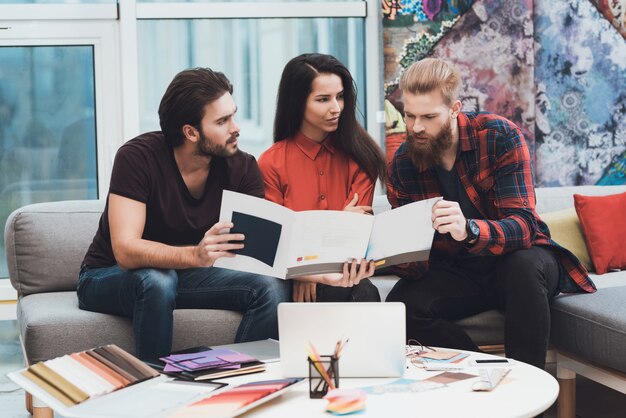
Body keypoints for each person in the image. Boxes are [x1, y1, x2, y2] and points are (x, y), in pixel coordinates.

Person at [386, 58, 596, 370]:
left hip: (522, 261)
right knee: (399, 308)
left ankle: (527, 398)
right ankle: (484, 373)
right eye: (410, 116)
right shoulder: (404, 161)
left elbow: (524, 227)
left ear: (455, 109)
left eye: (429, 117)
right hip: (460, 271)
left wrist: (469, 229)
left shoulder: (499, 137)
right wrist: (379, 255)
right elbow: (414, 255)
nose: (416, 127)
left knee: (521, 265)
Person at [78, 68, 291, 361]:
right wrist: (195, 256)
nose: (236, 127)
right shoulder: (137, 158)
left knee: (271, 287)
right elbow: (125, 251)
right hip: (109, 275)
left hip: (189, 275)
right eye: (222, 121)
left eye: (233, 115)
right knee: (157, 280)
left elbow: (256, 256)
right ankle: (157, 392)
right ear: (190, 132)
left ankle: (235, 385)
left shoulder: (242, 167)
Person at [258, 53, 387, 303]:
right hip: (287, 278)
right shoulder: (270, 162)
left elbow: (354, 238)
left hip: (345, 275)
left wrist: (311, 260)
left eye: (340, 97)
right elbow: (273, 241)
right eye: (323, 99)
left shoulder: (361, 158)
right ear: (297, 102)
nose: (336, 108)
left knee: (361, 290)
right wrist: (305, 274)